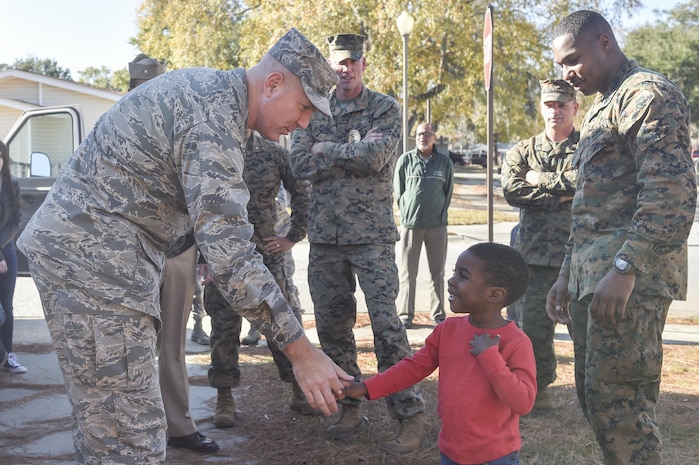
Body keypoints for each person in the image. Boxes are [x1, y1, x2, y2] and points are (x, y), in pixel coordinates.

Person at [16, 28, 353, 465]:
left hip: (102, 266)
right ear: (273, 84)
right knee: (128, 439)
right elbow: (231, 253)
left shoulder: (216, 98)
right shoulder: (213, 116)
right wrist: (301, 353)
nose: (305, 121)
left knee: (115, 429)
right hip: (95, 269)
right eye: (304, 105)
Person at [547, 10, 696, 465]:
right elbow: (590, 207)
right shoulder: (603, 107)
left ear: (604, 42)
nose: (567, 74)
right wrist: (565, 275)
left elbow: (671, 195)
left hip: (629, 283)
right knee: (598, 403)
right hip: (594, 281)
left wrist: (626, 268)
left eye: (573, 60)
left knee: (624, 415)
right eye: (561, 66)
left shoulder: (647, 95)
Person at [290, 33, 426, 453]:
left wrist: (325, 150)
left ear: (364, 63)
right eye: (338, 63)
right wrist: (347, 150)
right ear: (330, 67)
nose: (345, 69)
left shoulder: (383, 107)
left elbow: (375, 158)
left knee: (387, 328)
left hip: (372, 239)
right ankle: (349, 406)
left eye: (352, 61)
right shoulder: (313, 109)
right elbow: (298, 164)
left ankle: (408, 414)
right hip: (325, 241)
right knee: (332, 328)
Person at [341, 242, 536, 465]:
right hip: (451, 451)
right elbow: (413, 368)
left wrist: (490, 357)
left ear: (494, 294)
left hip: (495, 456)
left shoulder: (516, 342)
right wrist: (368, 387)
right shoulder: (448, 330)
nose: (451, 280)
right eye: (454, 272)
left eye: (463, 276)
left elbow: (523, 402)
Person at [127, 54, 219, 453]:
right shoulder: (116, 126)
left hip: (180, 249)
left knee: (172, 346)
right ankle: (135, 428)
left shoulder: (182, 122)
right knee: (130, 342)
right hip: (133, 250)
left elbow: (199, 192)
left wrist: (203, 252)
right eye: (139, 86)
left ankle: (179, 428)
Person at [207, 130, 314, 428]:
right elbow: (198, 205)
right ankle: (224, 396)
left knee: (280, 321)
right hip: (223, 253)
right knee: (224, 327)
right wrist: (203, 258)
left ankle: (298, 390)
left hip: (266, 254)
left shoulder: (274, 152)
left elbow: (302, 191)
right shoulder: (216, 150)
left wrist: (292, 235)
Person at [500, 79, 578, 414]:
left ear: (575, 107)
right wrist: (561, 196)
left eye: (562, 105)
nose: (555, 111)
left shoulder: (589, 146)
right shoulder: (523, 150)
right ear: (541, 107)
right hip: (533, 256)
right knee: (532, 330)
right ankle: (539, 390)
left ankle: (594, 396)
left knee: (587, 332)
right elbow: (511, 189)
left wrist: (539, 179)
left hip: (578, 256)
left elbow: (588, 181)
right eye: (549, 105)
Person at [394, 122, 454, 328]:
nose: (423, 137)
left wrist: (439, 213)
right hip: (410, 226)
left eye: (427, 134)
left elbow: (448, 193)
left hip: (437, 226)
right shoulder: (405, 161)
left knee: (437, 273)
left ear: (434, 137)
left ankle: (438, 314)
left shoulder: (444, 163)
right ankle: (405, 315)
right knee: (407, 273)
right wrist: (406, 213)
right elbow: (399, 192)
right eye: (419, 134)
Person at [241, 186, 303, 346]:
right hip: (251, 240)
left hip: (276, 241)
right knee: (252, 288)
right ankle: (255, 330)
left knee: (285, 289)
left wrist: (291, 236)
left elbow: (281, 202)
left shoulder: (277, 178)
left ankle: (298, 334)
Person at [0, 140, 24, 374]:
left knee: (6, 307)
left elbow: (16, 221)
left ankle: (7, 358)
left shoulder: (11, 185)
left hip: (7, 250)